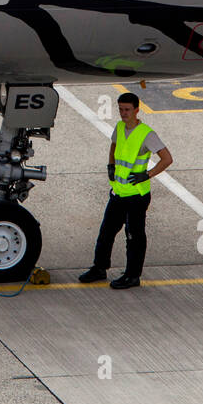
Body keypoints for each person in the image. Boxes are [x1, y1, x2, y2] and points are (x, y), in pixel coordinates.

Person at [78, 92, 172, 289]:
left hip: (137, 196)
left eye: (127, 110)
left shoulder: (147, 134)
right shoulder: (120, 127)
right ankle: (99, 268)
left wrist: (147, 174)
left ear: (137, 110)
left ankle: (132, 275)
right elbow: (113, 145)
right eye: (120, 109)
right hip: (119, 192)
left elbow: (167, 159)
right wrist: (110, 165)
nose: (123, 113)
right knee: (106, 232)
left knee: (134, 237)